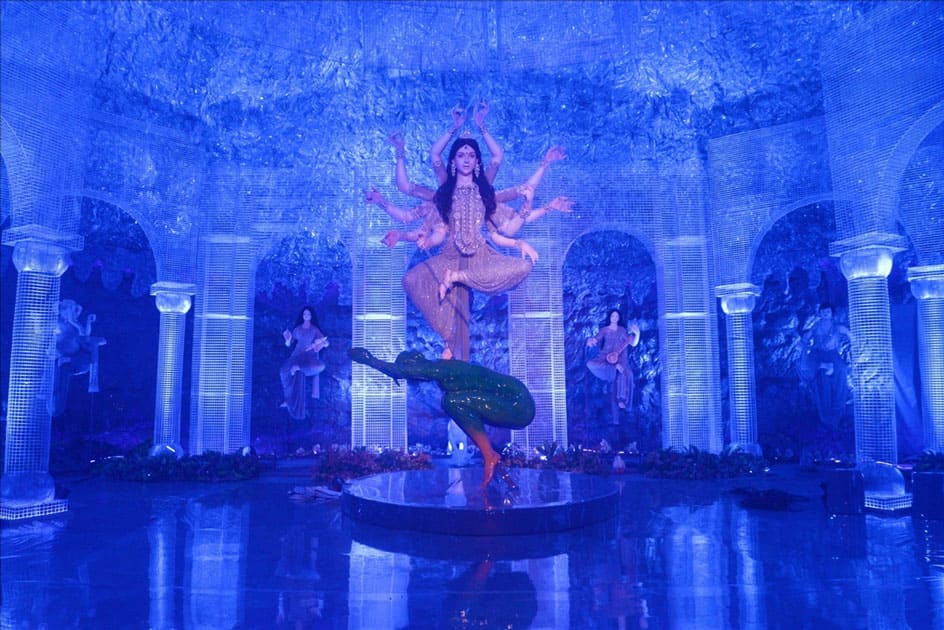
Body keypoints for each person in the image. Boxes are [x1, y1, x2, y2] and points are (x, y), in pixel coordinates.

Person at [397, 136, 566, 360]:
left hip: (480, 256)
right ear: (453, 161)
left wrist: (543, 166)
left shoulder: (486, 195)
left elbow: (515, 210)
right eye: (461, 155)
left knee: (523, 267)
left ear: (477, 161)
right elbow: (411, 186)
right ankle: (449, 340)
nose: (466, 159)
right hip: (449, 255)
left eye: (471, 155)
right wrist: (402, 150)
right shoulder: (444, 195)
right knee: (411, 280)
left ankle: (457, 277)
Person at [349, 347, 535, 488]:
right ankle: (496, 464)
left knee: (452, 402)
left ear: (415, 363)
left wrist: (369, 360)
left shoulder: (442, 368)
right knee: (454, 401)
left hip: (518, 405)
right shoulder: (445, 372)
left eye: (411, 369)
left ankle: (489, 455)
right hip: (513, 402)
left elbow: (402, 371)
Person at [798, 303, 851, 428]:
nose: (825, 314)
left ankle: (835, 413)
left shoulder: (836, 327)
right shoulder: (816, 326)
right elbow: (806, 336)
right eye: (823, 312)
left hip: (832, 355)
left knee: (842, 369)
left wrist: (855, 343)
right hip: (818, 354)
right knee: (805, 367)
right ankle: (822, 366)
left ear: (832, 313)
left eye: (827, 311)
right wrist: (804, 343)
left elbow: (849, 334)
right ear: (819, 313)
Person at [51, 299, 106, 416]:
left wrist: (86, 322)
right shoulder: (57, 323)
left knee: (65, 370)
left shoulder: (75, 324)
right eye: (64, 309)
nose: (67, 312)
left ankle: (57, 404)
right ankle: (54, 401)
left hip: (76, 358)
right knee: (59, 375)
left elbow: (84, 335)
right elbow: (51, 336)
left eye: (70, 309)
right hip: (60, 356)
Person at [586, 309, 640, 414]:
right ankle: (613, 368)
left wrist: (637, 334)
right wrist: (590, 341)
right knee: (590, 364)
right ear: (609, 317)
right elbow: (595, 340)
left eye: (616, 316)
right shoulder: (604, 330)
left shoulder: (622, 330)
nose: (614, 318)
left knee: (627, 374)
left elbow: (633, 343)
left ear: (619, 318)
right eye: (613, 316)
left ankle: (622, 400)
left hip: (619, 358)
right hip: (605, 357)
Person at [280, 306, 329, 421]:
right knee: (283, 372)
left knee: (321, 366)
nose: (306, 316)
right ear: (302, 316)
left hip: (309, 357)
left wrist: (318, 343)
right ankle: (288, 400)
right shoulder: (297, 329)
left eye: (308, 314)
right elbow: (289, 344)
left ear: (311, 316)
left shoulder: (314, 329)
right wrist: (287, 339)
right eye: (304, 314)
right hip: (296, 355)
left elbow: (326, 342)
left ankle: (299, 368)